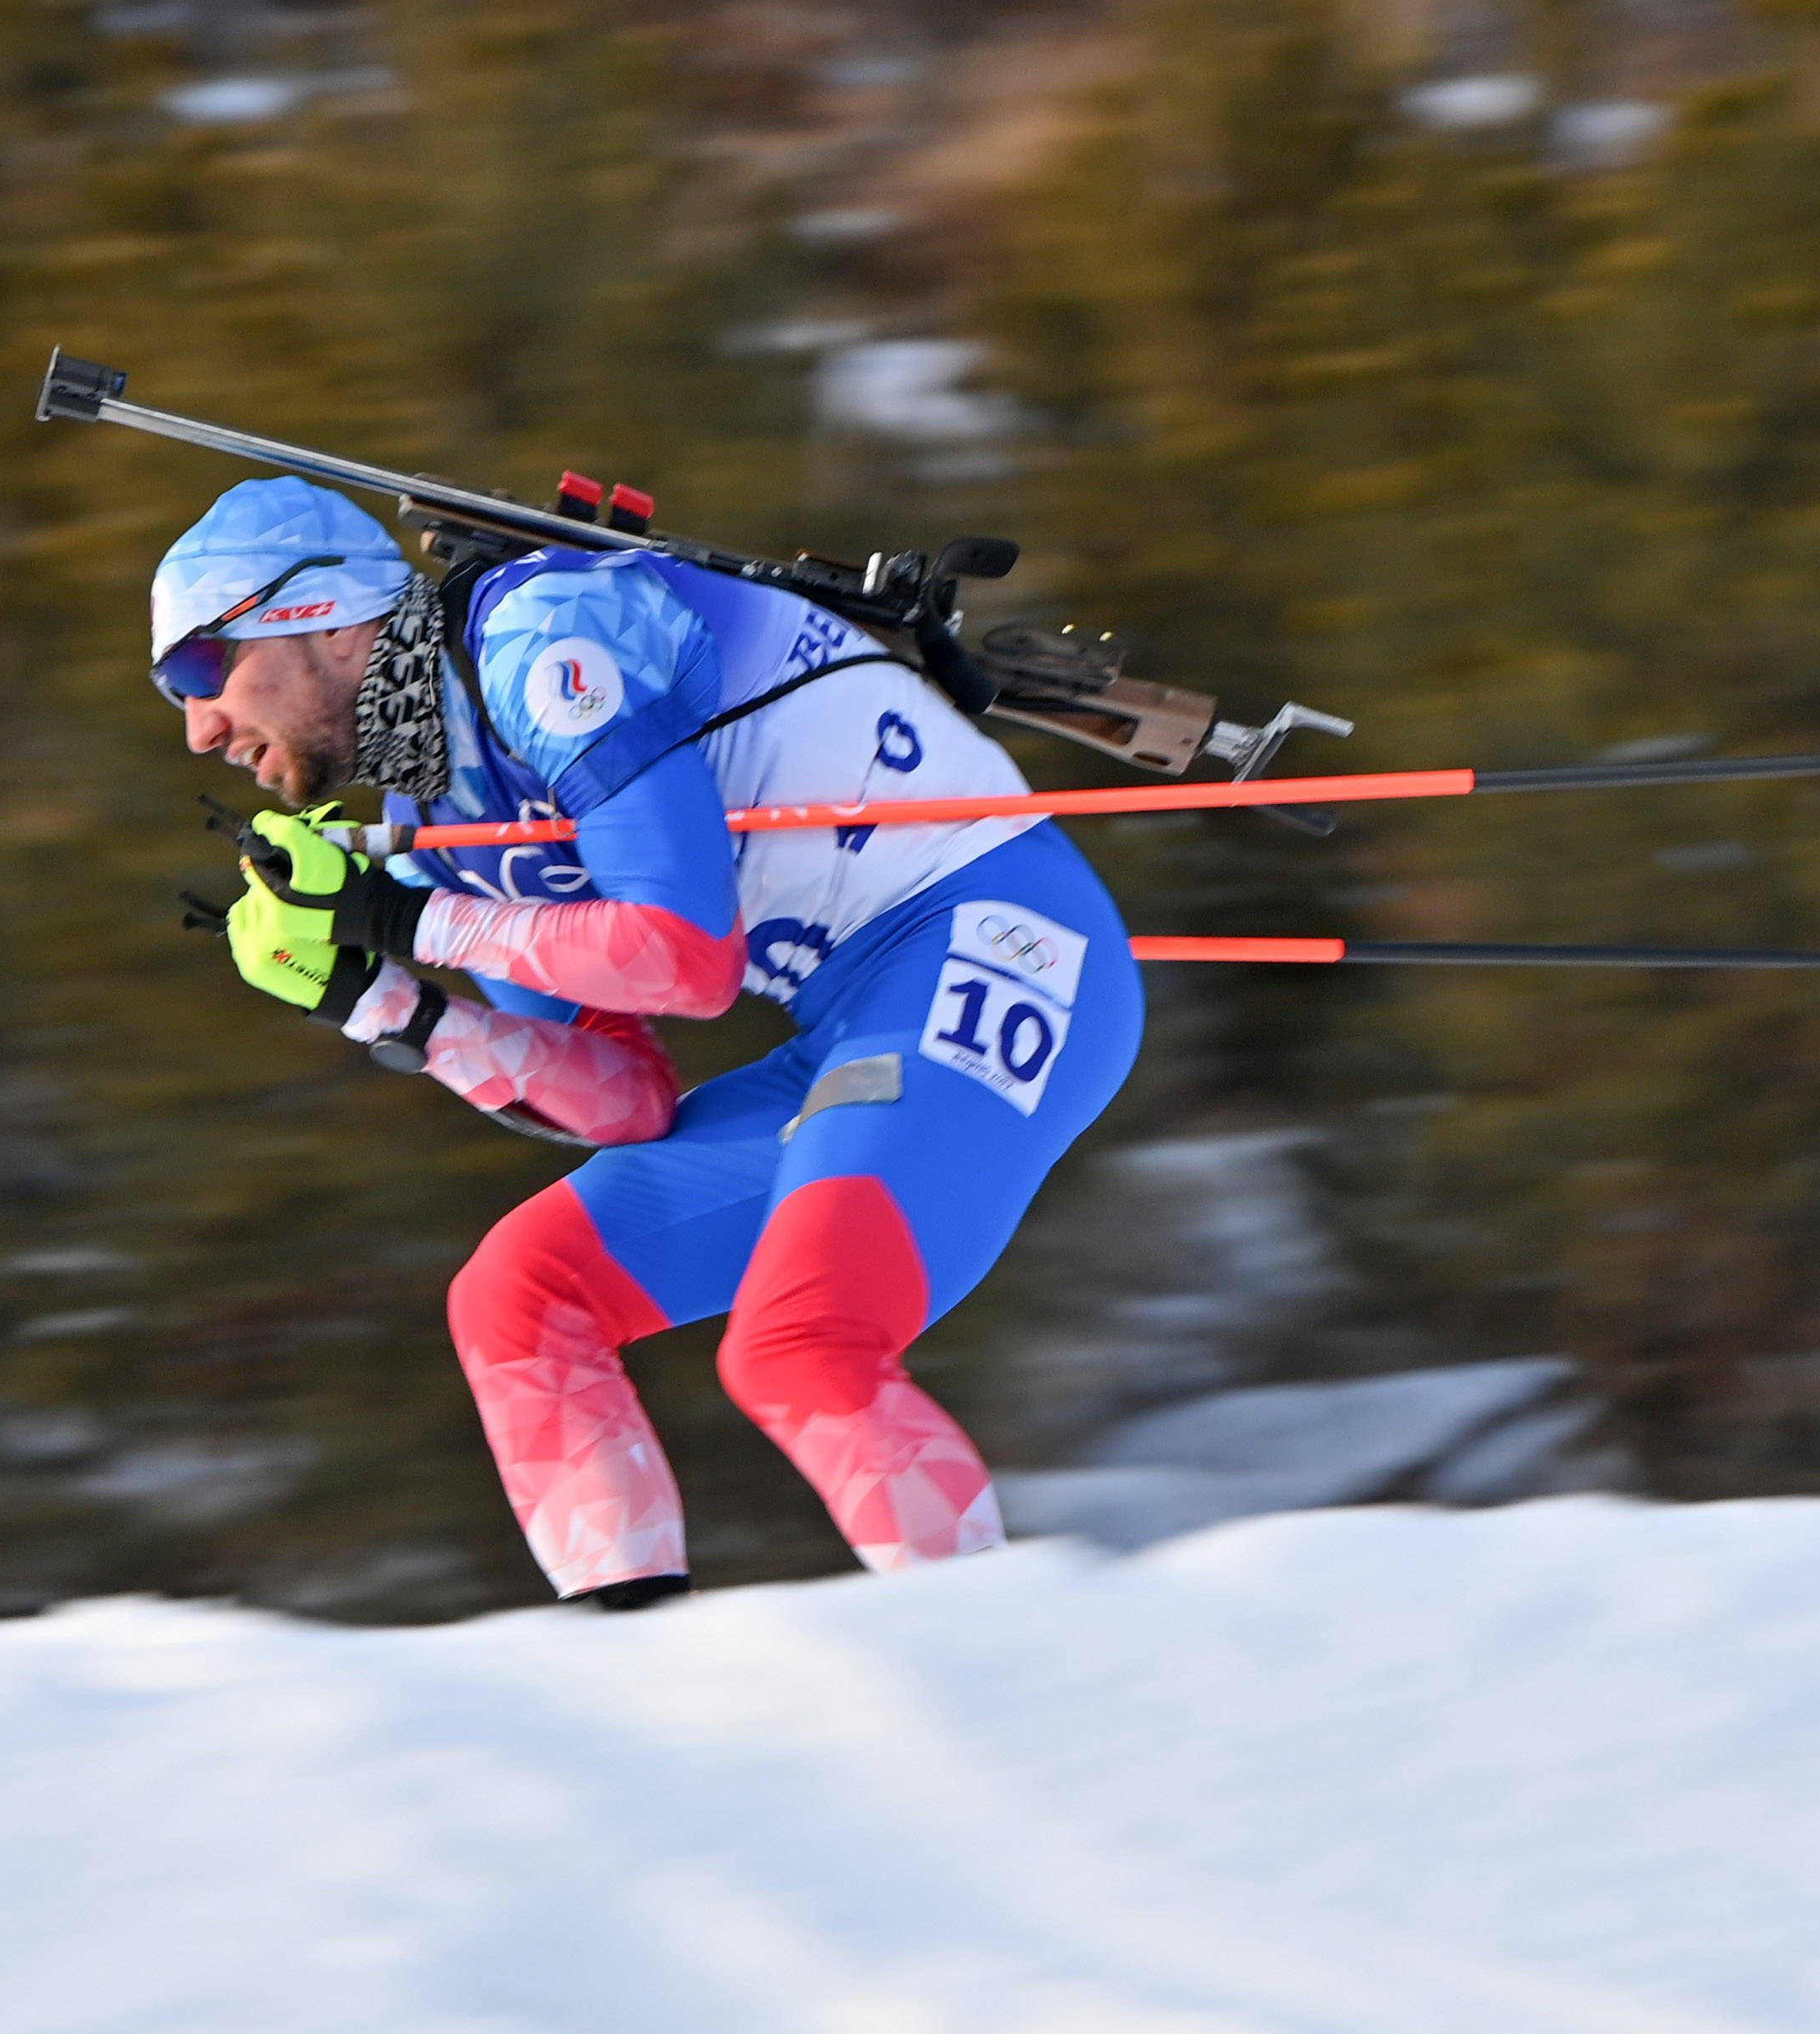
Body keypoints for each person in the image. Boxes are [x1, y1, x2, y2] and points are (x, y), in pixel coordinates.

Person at [158, 472, 1140, 1607]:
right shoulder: (438, 823)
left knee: (799, 1346)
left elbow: (688, 956)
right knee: (519, 1299)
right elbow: (623, 1101)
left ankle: (1015, 1679)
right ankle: (641, 1674)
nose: (198, 728)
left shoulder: (539, 637)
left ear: (318, 619)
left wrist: (402, 919)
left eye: (200, 668)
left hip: (993, 940)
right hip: (855, 1023)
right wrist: (384, 1002)